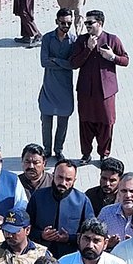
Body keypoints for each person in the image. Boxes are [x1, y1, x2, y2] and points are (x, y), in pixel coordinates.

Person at [71, 10, 129, 163]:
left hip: (106, 92)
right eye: (86, 23)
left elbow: (125, 60)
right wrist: (88, 49)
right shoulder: (82, 40)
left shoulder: (112, 39)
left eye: (90, 22)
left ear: (100, 23)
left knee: (106, 122)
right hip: (86, 91)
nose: (87, 25)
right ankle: (86, 154)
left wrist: (112, 57)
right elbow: (74, 63)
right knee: (85, 122)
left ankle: (104, 153)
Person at [28, 159, 94, 258]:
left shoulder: (82, 201)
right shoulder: (38, 197)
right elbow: (25, 227)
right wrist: (41, 235)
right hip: (39, 254)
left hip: (71, 256)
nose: (63, 183)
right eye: (60, 177)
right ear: (53, 175)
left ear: (74, 180)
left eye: (68, 179)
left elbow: (91, 233)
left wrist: (69, 238)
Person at [39, 9, 76, 161]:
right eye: (63, 23)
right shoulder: (48, 38)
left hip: (65, 88)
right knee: (46, 121)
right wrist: (63, 63)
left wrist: (55, 60)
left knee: (63, 121)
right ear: (56, 22)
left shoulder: (73, 40)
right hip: (49, 86)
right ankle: (47, 149)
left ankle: (58, 150)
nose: (66, 26)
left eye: (69, 23)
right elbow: (44, 62)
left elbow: (73, 64)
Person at [96, 170, 133, 245]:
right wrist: (107, 245)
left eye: (132, 191)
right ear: (118, 191)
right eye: (124, 191)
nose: (128, 195)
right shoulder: (106, 213)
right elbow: (95, 240)